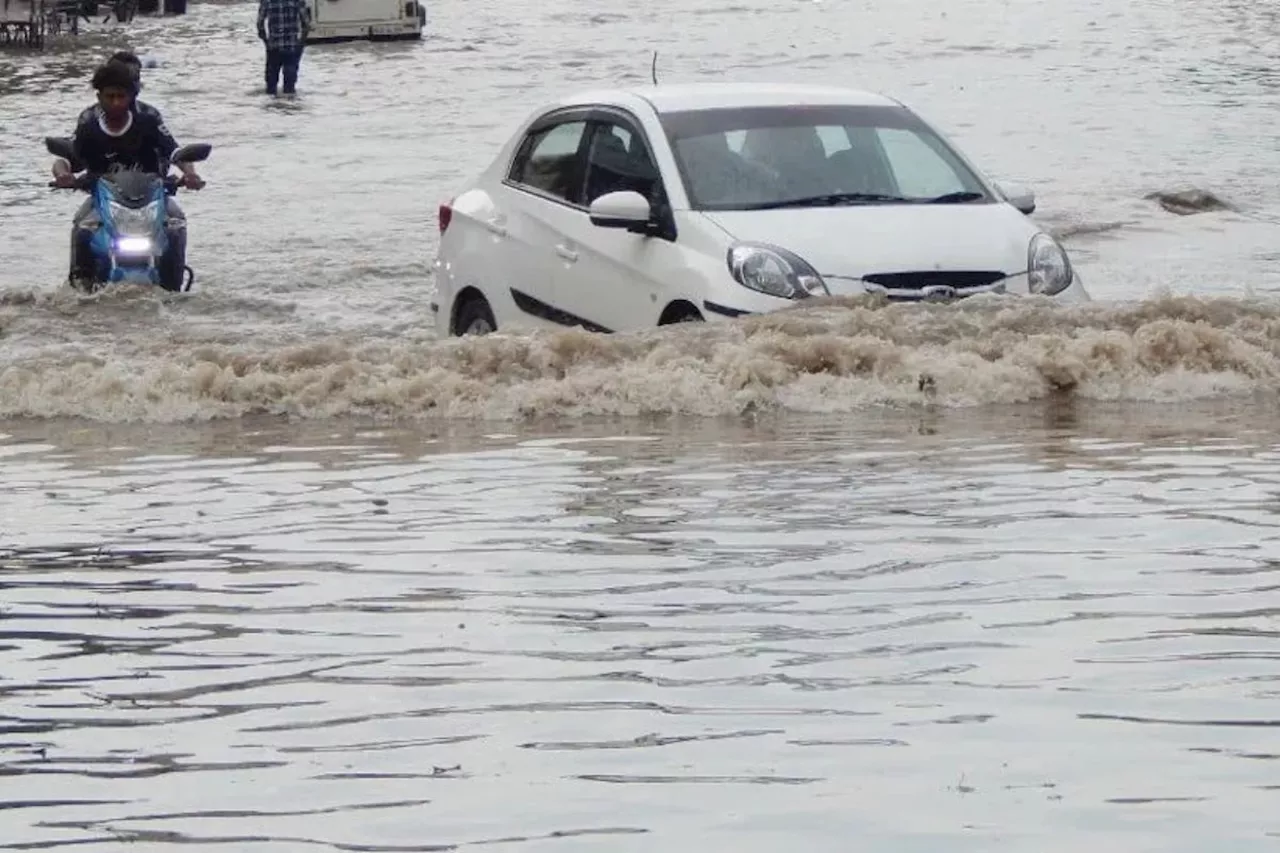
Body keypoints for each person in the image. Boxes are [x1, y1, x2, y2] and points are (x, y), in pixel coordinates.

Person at [51, 61, 205, 285]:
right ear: (99, 96)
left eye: (121, 96)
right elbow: (68, 158)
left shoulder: (149, 118)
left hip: (151, 198)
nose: (115, 102)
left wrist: (191, 174)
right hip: (104, 199)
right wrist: (63, 175)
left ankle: (174, 286)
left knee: (176, 224)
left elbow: (176, 152)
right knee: (83, 226)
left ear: (132, 96)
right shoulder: (88, 122)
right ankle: (80, 286)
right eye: (109, 96)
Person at [257, 0, 311, 96]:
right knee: (289, 89)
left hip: (273, 48)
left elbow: (260, 24)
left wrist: (267, 43)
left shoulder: (267, 1)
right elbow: (306, 25)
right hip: (291, 49)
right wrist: (300, 43)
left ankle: (272, 108)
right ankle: (289, 108)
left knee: (271, 87)